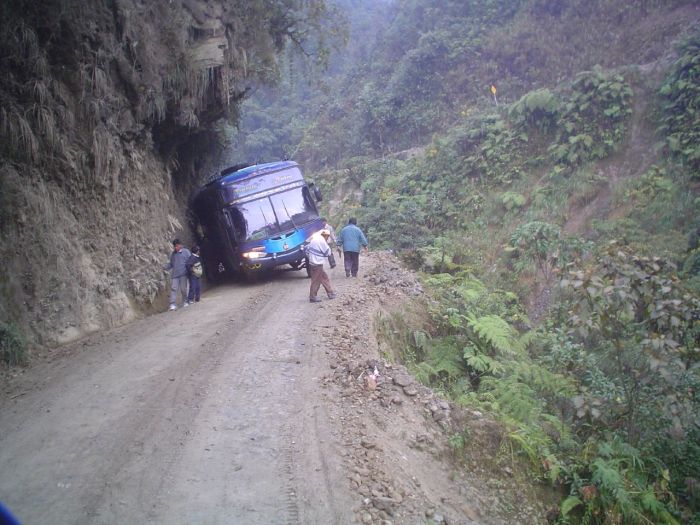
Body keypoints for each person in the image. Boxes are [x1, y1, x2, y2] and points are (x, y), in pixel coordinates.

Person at [305, 229, 336, 303]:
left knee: (324, 277)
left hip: (312, 262)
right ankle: (312, 297)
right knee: (316, 280)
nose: (327, 238)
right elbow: (328, 252)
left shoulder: (314, 239)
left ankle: (330, 293)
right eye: (327, 237)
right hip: (317, 263)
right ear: (325, 235)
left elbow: (307, 251)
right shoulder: (321, 241)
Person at [163, 238, 191, 310]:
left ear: (180, 245)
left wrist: (191, 270)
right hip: (175, 275)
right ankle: (172, 304)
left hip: (183, 274)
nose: (176, 248)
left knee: (183, 289)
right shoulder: (173, 254)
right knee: (173, 289)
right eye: (175, 246)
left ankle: (185, 301)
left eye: (177, 246)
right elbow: (171, 264)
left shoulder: (186, 252)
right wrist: (165, 267)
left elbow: (191, 261)